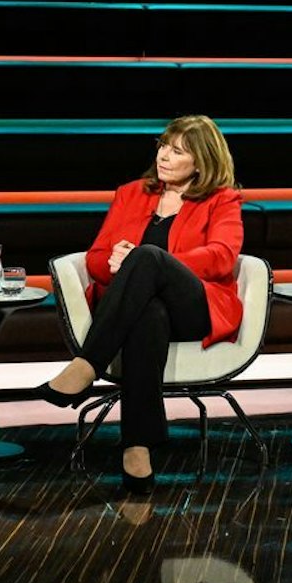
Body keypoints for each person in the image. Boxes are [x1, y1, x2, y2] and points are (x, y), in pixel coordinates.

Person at [37, 115, 245, 495]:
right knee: (149, 313)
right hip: (142, 311)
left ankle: (87, 364)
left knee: (148, 257)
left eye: (177, 151)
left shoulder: (222, 199)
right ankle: (137, 447)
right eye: (163, 145)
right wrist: (116, 263)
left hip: (194, 306)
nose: (163, 156)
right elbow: (94, 258)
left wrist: (150, 261)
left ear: (201, 162)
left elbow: (222, 257)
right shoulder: (131, 193)